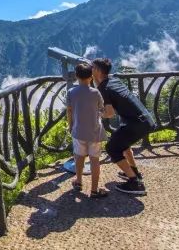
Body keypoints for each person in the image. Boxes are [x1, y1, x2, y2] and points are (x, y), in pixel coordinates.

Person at [92, 57, 155, 195]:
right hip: (145, 119)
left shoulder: (104, 88)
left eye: (92, 67)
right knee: (122, 143)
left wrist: (96, 113)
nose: (91, 70)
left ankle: (135, 183)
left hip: (136, 124)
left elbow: (109, 113)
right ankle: (134, 172)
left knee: (112, 148)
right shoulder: (114, 80)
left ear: (97, 70)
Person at [66, 62, 108, 198]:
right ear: (91, 76)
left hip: (78, 131)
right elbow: (102, 109)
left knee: (78, 157)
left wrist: (70, 126)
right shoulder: (96, 93)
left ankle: (78, 182)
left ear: (77, 76)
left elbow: (69, 111)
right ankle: (94, 190)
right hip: (95, 132)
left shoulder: (71, 92)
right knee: (94, 160)